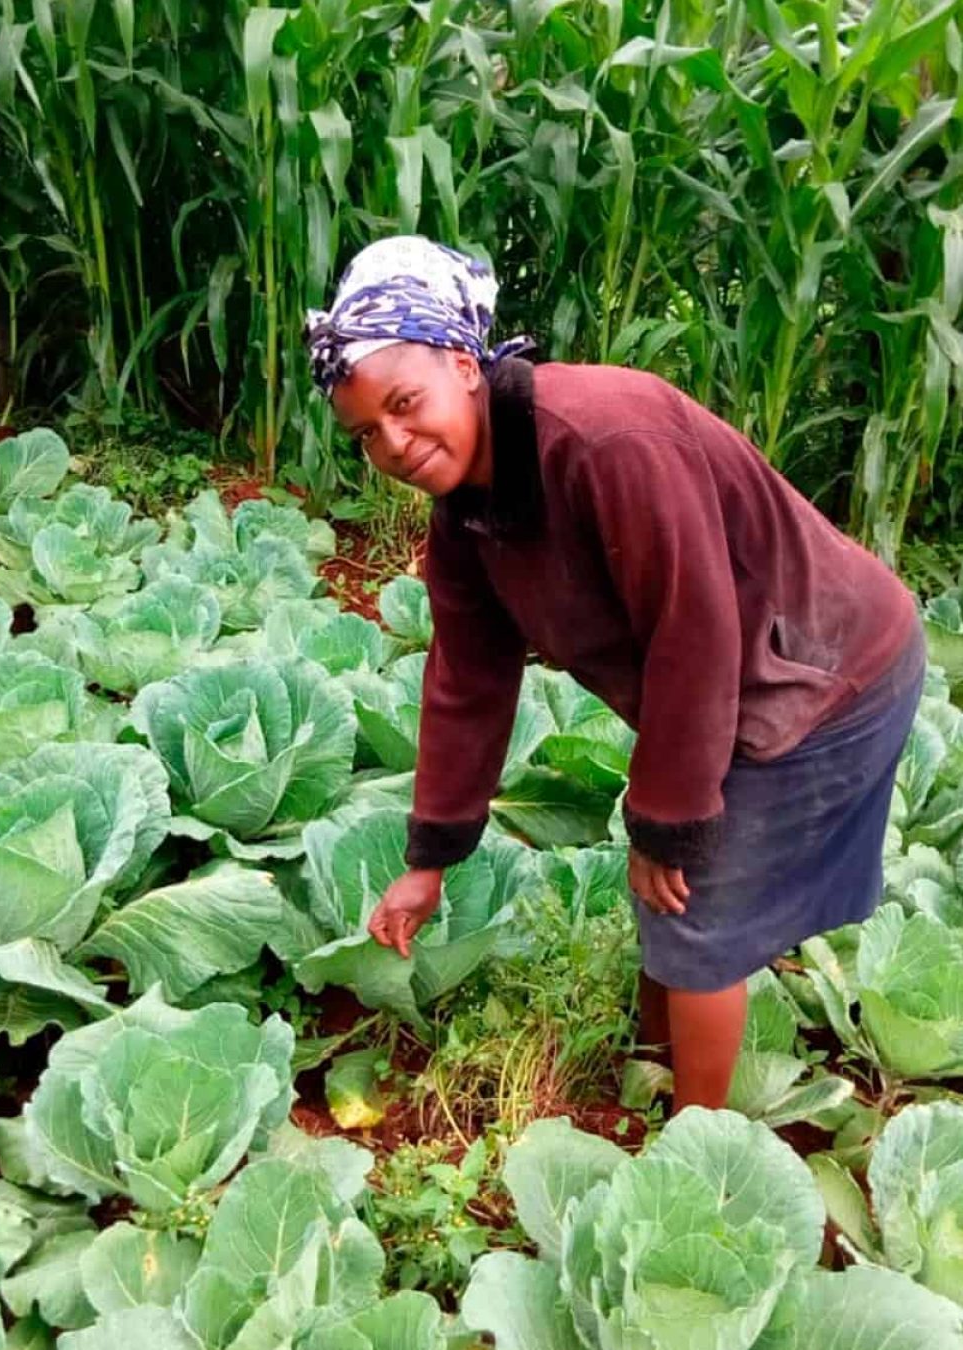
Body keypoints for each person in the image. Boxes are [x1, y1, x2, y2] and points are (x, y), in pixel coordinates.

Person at [304, 235, 925, 1113]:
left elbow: (694, 633)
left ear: (463, 364)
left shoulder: (603, 440)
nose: (395, 443)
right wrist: (430, 857)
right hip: (740, 682)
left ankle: (693, 1140)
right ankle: (648, 1061)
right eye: (368, 433)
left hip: (827, 674)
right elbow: (466, 680)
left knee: (696, 912)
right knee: (672, 897)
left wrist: (665, 823)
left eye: (406, 404)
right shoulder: (468, 512)